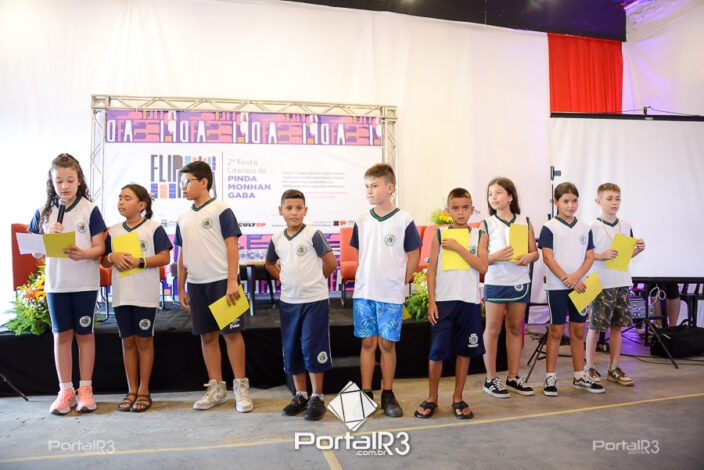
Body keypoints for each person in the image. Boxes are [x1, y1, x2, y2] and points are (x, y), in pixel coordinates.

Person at [29, 153, 106, 415]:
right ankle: (65, 391)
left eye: (70, 180)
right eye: (59, 181)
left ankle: (85, 389)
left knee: (84, 335)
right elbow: (34, 252)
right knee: (61, 336)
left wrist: (83, 254)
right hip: (57, 284)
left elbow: (100, 247)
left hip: (84, 284)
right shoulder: (44, 211)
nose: (65, 186)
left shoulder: (89, 209)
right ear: (52, 182)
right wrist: (46, 237)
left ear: (79, 180)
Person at [175, 161, 253, 413]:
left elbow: (232, 245)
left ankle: (241, 388)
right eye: (181, 182)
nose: (182, 186)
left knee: (232, 334)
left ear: (203, 182)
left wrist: (232, 280)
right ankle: (217, 388)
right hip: (196, 285)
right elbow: (182, 254)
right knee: (207, 336)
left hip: (222, 282)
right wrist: (181, 287)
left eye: (186, 182)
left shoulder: (221, 209)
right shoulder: (183, 218)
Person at [350, 163, 421, 417]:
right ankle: (366, 392)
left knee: (387, 344)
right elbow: (358, 253)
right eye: (366, 186)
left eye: (374, 185)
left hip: (391, 294)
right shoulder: (361, 220)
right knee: (368, 342)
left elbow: (414, 253)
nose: (369, 191)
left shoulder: (404, 220)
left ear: (390, 188)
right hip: (364, 293)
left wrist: (402, 279)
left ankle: (388, 393)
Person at [265, 189, 337, 421]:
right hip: (289, 303)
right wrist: (283, 279)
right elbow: (269, 263)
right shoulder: (277, 239)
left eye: (298, 208)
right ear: (281, 211)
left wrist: (316, 281)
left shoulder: (313, 234)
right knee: (292, 348)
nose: (294, 212)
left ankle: (317, 397)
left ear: (305, 211)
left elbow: (331, 263)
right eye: (289, 208)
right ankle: (301, 395)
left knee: (312, 346)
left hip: (314, 302)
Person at [415, 188, 487, 419]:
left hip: (469, 302)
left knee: (465, 351)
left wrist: (458, 247)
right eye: (455, 208)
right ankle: (432, 397)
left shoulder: (479, 235)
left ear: (472, 209)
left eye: (465, 208)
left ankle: (458, 397)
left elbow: (482, 266)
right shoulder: (439, 234)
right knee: (436, 352)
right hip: (444, 302)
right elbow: (431, 270)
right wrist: (432, 302)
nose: (460, 212)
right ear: (448, 211)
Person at [102, 184, 173, 411]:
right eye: (120, 197)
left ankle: (144, 390)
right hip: (121, 296)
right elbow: (103, 260)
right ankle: (131, 390)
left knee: (144, 341)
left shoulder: (153, 228)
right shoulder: (113, 231)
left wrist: (139, 261)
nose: (121, 202)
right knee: (127, 341)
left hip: (144, 296)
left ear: (141, 204)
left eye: (127, 198)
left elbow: (164, 258)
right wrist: (111, 256)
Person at [538, 182, 604, 396]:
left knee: (578, 330)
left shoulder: (585, 227)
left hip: (580, 287)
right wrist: (566, 278)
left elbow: (590, 256)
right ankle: (550, 378)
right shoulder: (549, 227)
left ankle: (579, 376)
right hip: (557, 287)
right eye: (566, 201)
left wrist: (575, 278)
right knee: (556, 331)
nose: (570, 205)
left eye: (574, 201)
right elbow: (548, 258)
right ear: (556, 202)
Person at [481, 177, 539, 398]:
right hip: (496, 282)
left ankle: (513, 377)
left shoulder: (525, 221)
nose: (493, 198)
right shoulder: (487, 224)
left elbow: (535, 252)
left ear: (510, 196)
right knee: (493, 329)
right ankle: (490, 378)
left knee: (515, 329)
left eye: (498, 193)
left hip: (519, 282)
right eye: (490, 194)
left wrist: (528, 257)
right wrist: (495, 256)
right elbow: (480, 258)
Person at [584, 183, 645, 387]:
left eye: (617, 198)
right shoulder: (592, 226)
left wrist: (637, 250)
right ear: (598, 201)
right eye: (609, 198)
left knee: (617, 326)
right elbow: (585, 255)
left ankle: (614, 367)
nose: (614, 202)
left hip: (621, 282)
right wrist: (601, 255)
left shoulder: (626, 225)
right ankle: (589, 367)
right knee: (595, 326)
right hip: (600, 283)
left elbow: (625, 256)